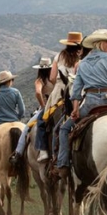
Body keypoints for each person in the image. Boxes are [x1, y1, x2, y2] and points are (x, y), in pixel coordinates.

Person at [53, 29, 107, 180]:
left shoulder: (82, 63)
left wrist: (75, 109)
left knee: (64, 129)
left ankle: (63, 164)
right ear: (98, 43)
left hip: (91, 102)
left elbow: (77, 91)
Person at [36, 31, 84, 163]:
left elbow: (52, 78)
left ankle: (45, 151)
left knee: (44, 120)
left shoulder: (59, 56)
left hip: (59, 92)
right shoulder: (82, 58)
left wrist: (58, 84)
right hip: (78, 90)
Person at [10, 57, 54, 163]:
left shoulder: (39, 81)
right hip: (57, 106)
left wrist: (43, 106)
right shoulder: (54, 79)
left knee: (26, 129)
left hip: (46, 108)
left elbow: (38, 93)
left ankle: (18, 153)